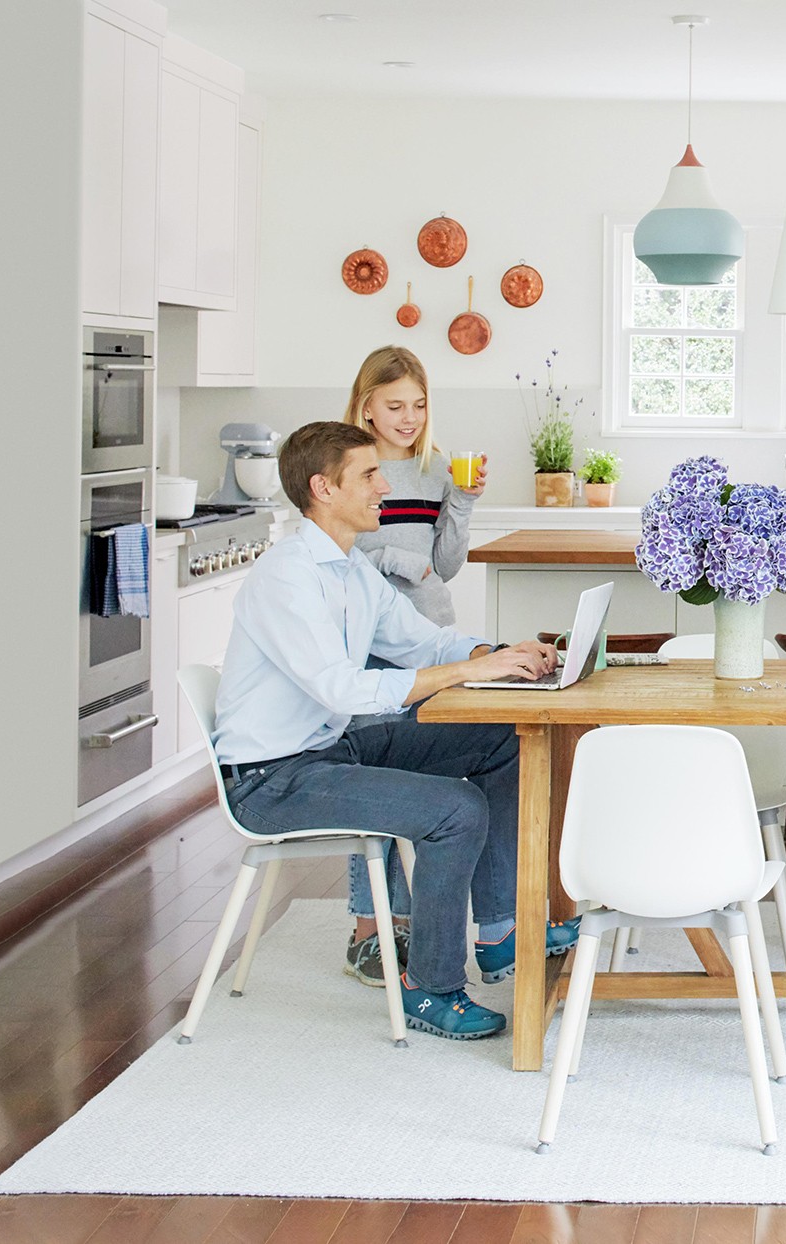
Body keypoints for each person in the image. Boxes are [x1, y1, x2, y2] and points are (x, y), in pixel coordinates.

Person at [212, 420, 578, 1040]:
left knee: (502, 738)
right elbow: (340, 687)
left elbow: (423, 641)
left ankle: (500, 930)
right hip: (272, 779)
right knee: (454, 810)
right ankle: (429, 987)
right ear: (323, 488)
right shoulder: (287, 577)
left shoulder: (352, 570)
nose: (386, 486)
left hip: (330, 748)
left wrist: (503, 652)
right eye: (370, 474)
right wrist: (469, 669)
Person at [332, 346, 483, 986]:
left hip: (427, 633)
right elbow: (336, 555)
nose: (408, 417)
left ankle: (422, 922)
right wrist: (394, 559)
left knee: (430, 776)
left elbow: (445, 565)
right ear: (366, 404)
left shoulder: (434, 469)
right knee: (371, 779)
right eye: (395, 405)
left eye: (418, 405)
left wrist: (464, 499)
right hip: (366, 640)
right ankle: (371, 927)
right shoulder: (346, 470)